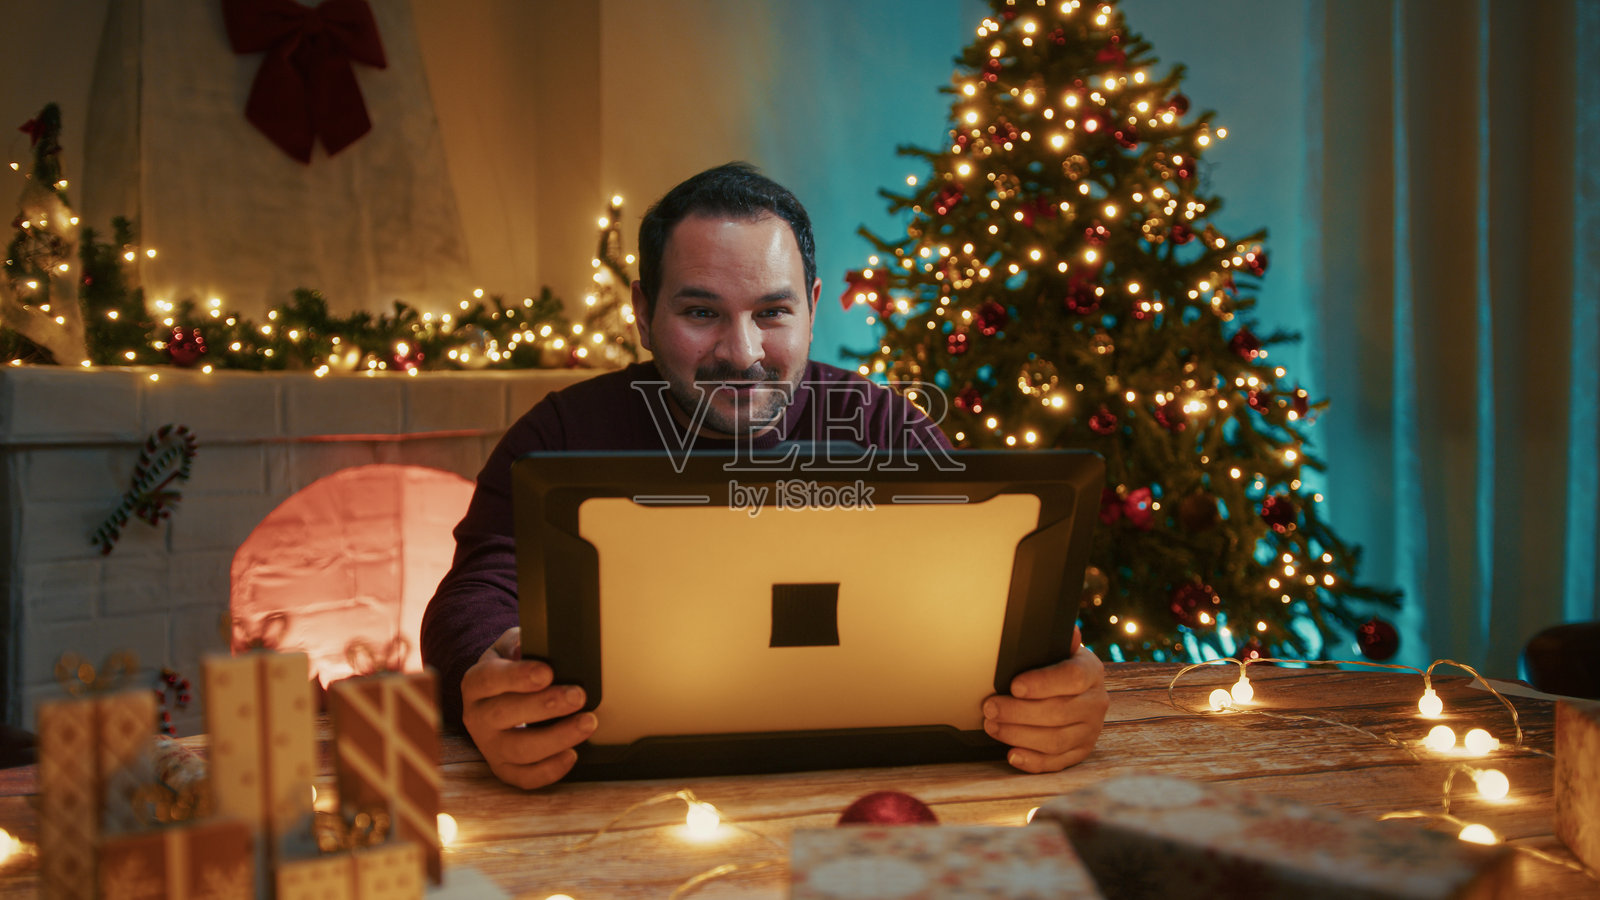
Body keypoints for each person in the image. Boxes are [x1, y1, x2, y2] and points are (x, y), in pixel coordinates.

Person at [421, 162, 1108, 790]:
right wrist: (494, 676)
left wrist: (1060, 687)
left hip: (872, 789)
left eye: (772, 313)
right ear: (641, 312)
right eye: (700, 313)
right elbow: (476, 593)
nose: (742, 352)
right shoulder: (563, 432)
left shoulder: (883, 425)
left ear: (812, 307)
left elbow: (990, 596)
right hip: (622, 796)